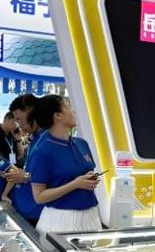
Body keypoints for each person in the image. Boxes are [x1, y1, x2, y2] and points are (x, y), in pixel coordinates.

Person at [29, 95, 102, 233]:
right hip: (60, 219)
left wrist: (90, 179)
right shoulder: (42, 151)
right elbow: (39, 197)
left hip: (91, 215)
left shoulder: (82, 144)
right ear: (57, 115)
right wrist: (75, 184)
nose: (73, 111)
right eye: (67, 106)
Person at [4, 94, 45, 225]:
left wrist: (25, 176)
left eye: (19, 119)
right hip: (24, 209)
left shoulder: (48, 140)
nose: (18, 125)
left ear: (30, 111)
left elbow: (58, 176)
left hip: (37, 213)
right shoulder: (35, 138)